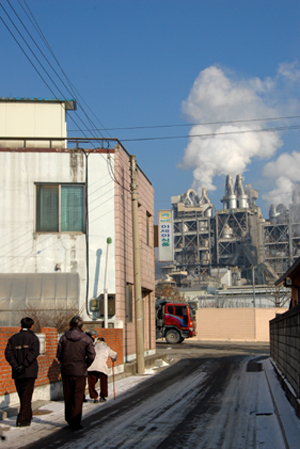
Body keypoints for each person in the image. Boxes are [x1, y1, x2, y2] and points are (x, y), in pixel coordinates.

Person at [56, 315, 95, 431]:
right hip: (80, 371)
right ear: (81, 326)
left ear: (70, 325)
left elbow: (59, 355)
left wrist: (65, 363)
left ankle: (69, 418)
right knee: (78, 396)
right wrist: (85, 364)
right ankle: (76, 421)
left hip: (67, 371)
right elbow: (92, 355)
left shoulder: (63, 338)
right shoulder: (86, 339)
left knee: (68, 395)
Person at [5, 317, 40, 427]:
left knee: (23, 395)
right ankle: (22, 419)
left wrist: (16, 365)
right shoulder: (33, 338)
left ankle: (28, 415)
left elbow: (8, 353)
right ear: (31, 326)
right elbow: (34, 353)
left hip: (17, 372)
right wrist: (24, 364)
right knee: (27, 395)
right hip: (29, 371)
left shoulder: (13, 338)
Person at [87, 336, 117, 403]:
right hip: (102, 367)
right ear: (104, 342)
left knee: (91, 383)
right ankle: (102, 396)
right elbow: (114, 354)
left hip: (91, 367)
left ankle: (95, 397)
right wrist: (113, 359)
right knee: (103, 382)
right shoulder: (106, 348)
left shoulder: (93, 347)